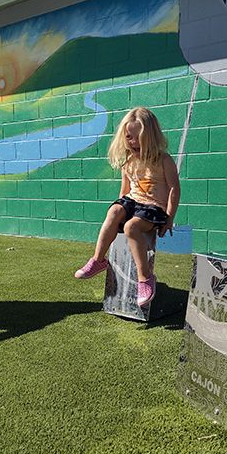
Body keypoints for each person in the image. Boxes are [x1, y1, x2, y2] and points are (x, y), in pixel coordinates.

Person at [74, 107, 180, 307]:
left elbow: (174, 188)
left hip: (153, 207)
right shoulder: (129, 161)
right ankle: (98, 260)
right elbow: (124, 192)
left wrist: (169, 217)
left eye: (139, 137)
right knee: (113, 210)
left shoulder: (163, 160)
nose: (133, 142)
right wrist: (118, 215)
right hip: (133, 201)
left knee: (132, 228)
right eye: (129, 137)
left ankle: (145, 278)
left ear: (151, 136)